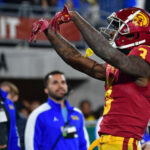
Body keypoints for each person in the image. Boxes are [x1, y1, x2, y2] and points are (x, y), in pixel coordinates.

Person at [29, 5, 150, 150]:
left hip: (124, 143)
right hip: (107, 142)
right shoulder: (123, 64)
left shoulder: (143, 56)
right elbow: (78, 60)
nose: (113, 32)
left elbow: (109, 53)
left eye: (119, 28)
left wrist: (76, 17)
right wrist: (50, 32)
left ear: (135, 34)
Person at [25, 71, 89, 150]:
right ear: (46, 89)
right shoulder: (38, 115)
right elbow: (31, 146)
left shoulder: (77, 113)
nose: (60, 85)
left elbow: (84, 144)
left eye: (63, 82)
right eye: (55, 83)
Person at [0, 81, 26, 150]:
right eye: (1, 92)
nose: (3, 95)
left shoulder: (23, 120)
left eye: (7, 92)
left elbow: (24, 142)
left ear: (15, 97)